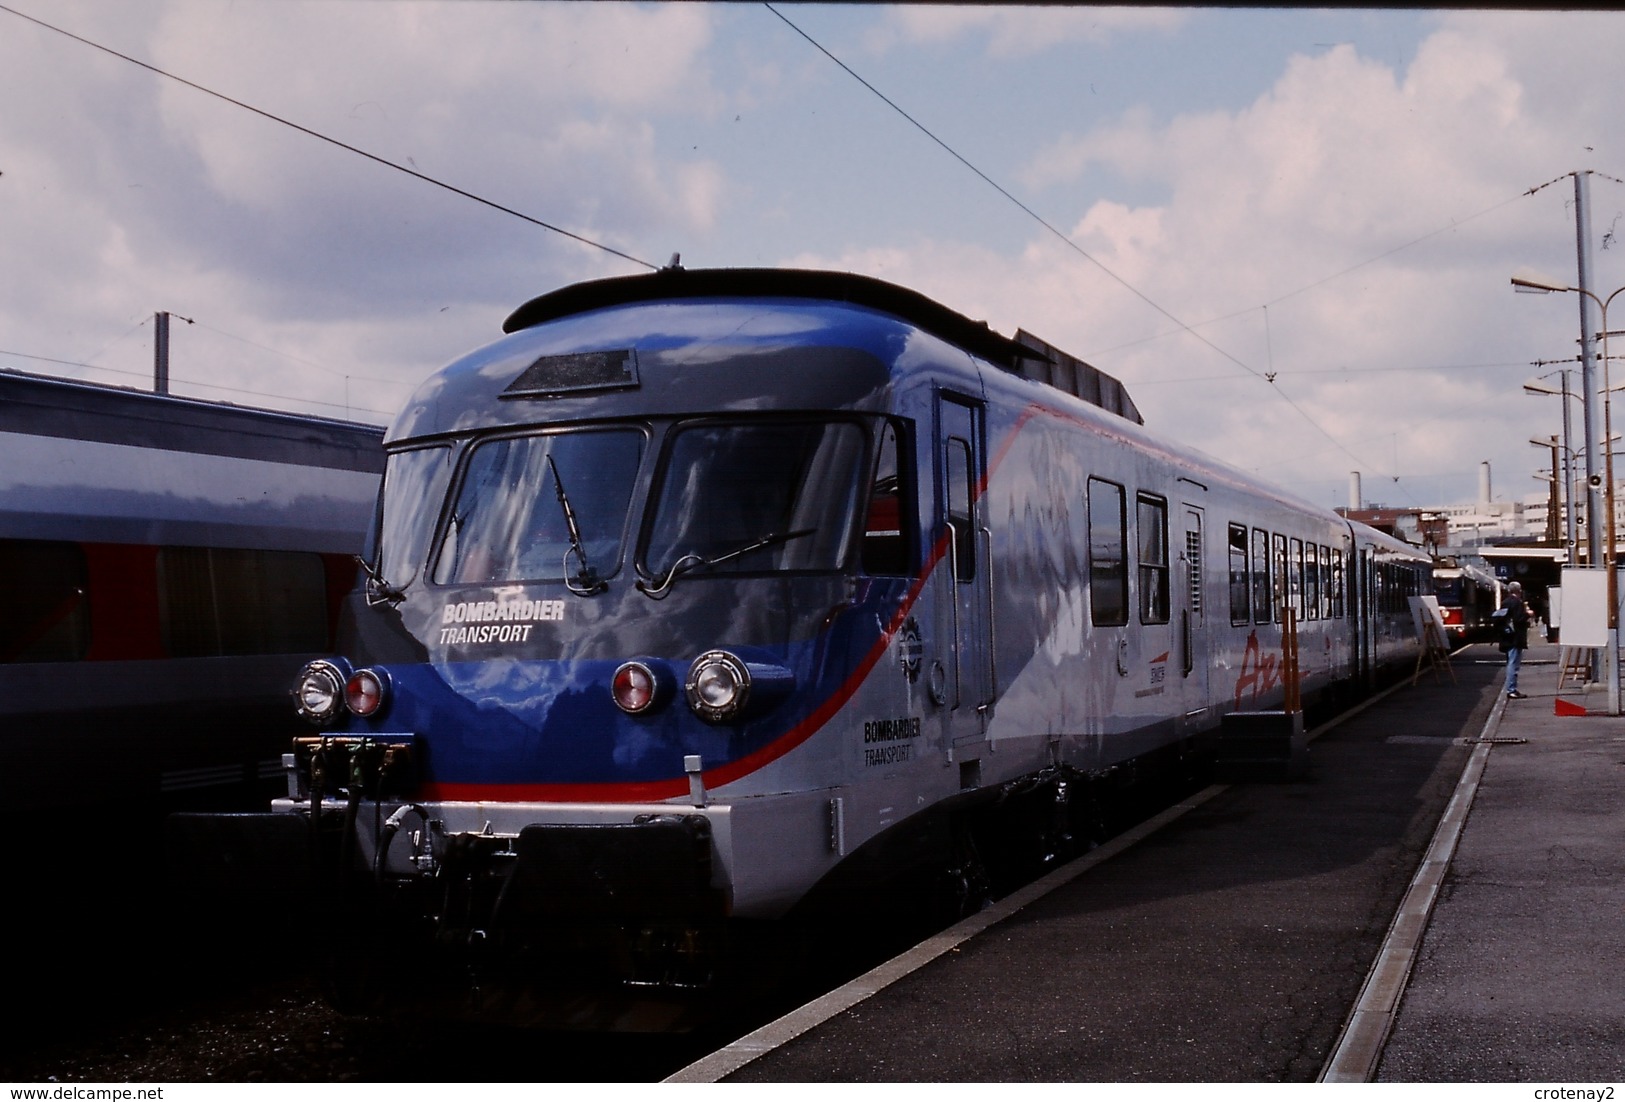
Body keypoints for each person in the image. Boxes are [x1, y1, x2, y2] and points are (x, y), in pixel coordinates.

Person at [1501, 581, 1531, 699]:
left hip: (1506, 636)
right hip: (1515, 637)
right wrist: (1528, 614)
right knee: (1513, 664)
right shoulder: (1517, 603)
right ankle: (1511, 689)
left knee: (1510, 662)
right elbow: (1519, 619)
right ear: (1519, 591)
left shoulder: (1505, 603)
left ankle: (1511, 688)